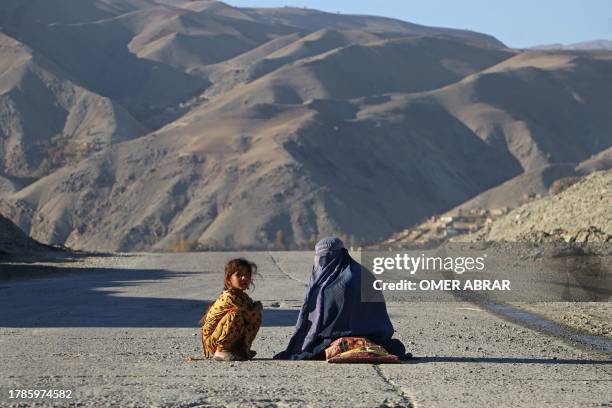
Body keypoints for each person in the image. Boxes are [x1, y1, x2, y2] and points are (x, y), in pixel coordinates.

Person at [274, 237, 407, 360]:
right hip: (378, 337)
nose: (319, 260)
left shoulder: (329, 286)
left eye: (321, 257)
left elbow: (320, 324)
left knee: (315, 348)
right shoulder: (363, 272)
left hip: (340, 339)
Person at [199, 258, 262, 361]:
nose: (244, 278)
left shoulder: (243, 297)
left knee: (255, 315)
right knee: (236, 314)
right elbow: (248, 314)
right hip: (213, 341)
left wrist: (256, 309)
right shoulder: (229, 297)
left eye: (247, 275)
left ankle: (241, 349)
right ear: (229, 279)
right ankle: (220, 351)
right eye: (239, 275)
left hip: (222, 336)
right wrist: (257, 308)